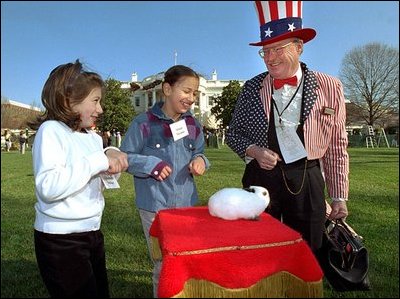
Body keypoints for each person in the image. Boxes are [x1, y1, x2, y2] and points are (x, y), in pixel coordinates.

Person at [226, 1, 349, 254]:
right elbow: (232, 134)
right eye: (265, 51)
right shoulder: (251, 88)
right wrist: (254, 151)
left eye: (278, 49)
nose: (270, 58)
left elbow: (337, 146)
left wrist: (338, 196)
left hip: (308, 178)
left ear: (299, 47)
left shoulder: (330, 86)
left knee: (308, 249)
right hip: (260, 177)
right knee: (257, 244)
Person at [29, 59, 128, 298]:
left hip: (92, 231)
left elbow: (89, 171)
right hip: (60, 240)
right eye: (95, 101)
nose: (100, 109)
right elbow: (49, 186)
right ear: (67, 100)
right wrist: (99, 161)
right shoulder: (51, 131)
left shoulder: (92, 137)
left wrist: (108, 158)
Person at [120, 64, 210, 297]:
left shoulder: (193, 125)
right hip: (154, 208)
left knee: (187, 260)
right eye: (186, 91)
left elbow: (199, 152)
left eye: (194, 93)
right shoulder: (143, 123)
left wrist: (200, 161)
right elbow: (125, 157)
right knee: (164, 263)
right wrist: (151, 165)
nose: (191, 98)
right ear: (167, 89)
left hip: (187, 206)